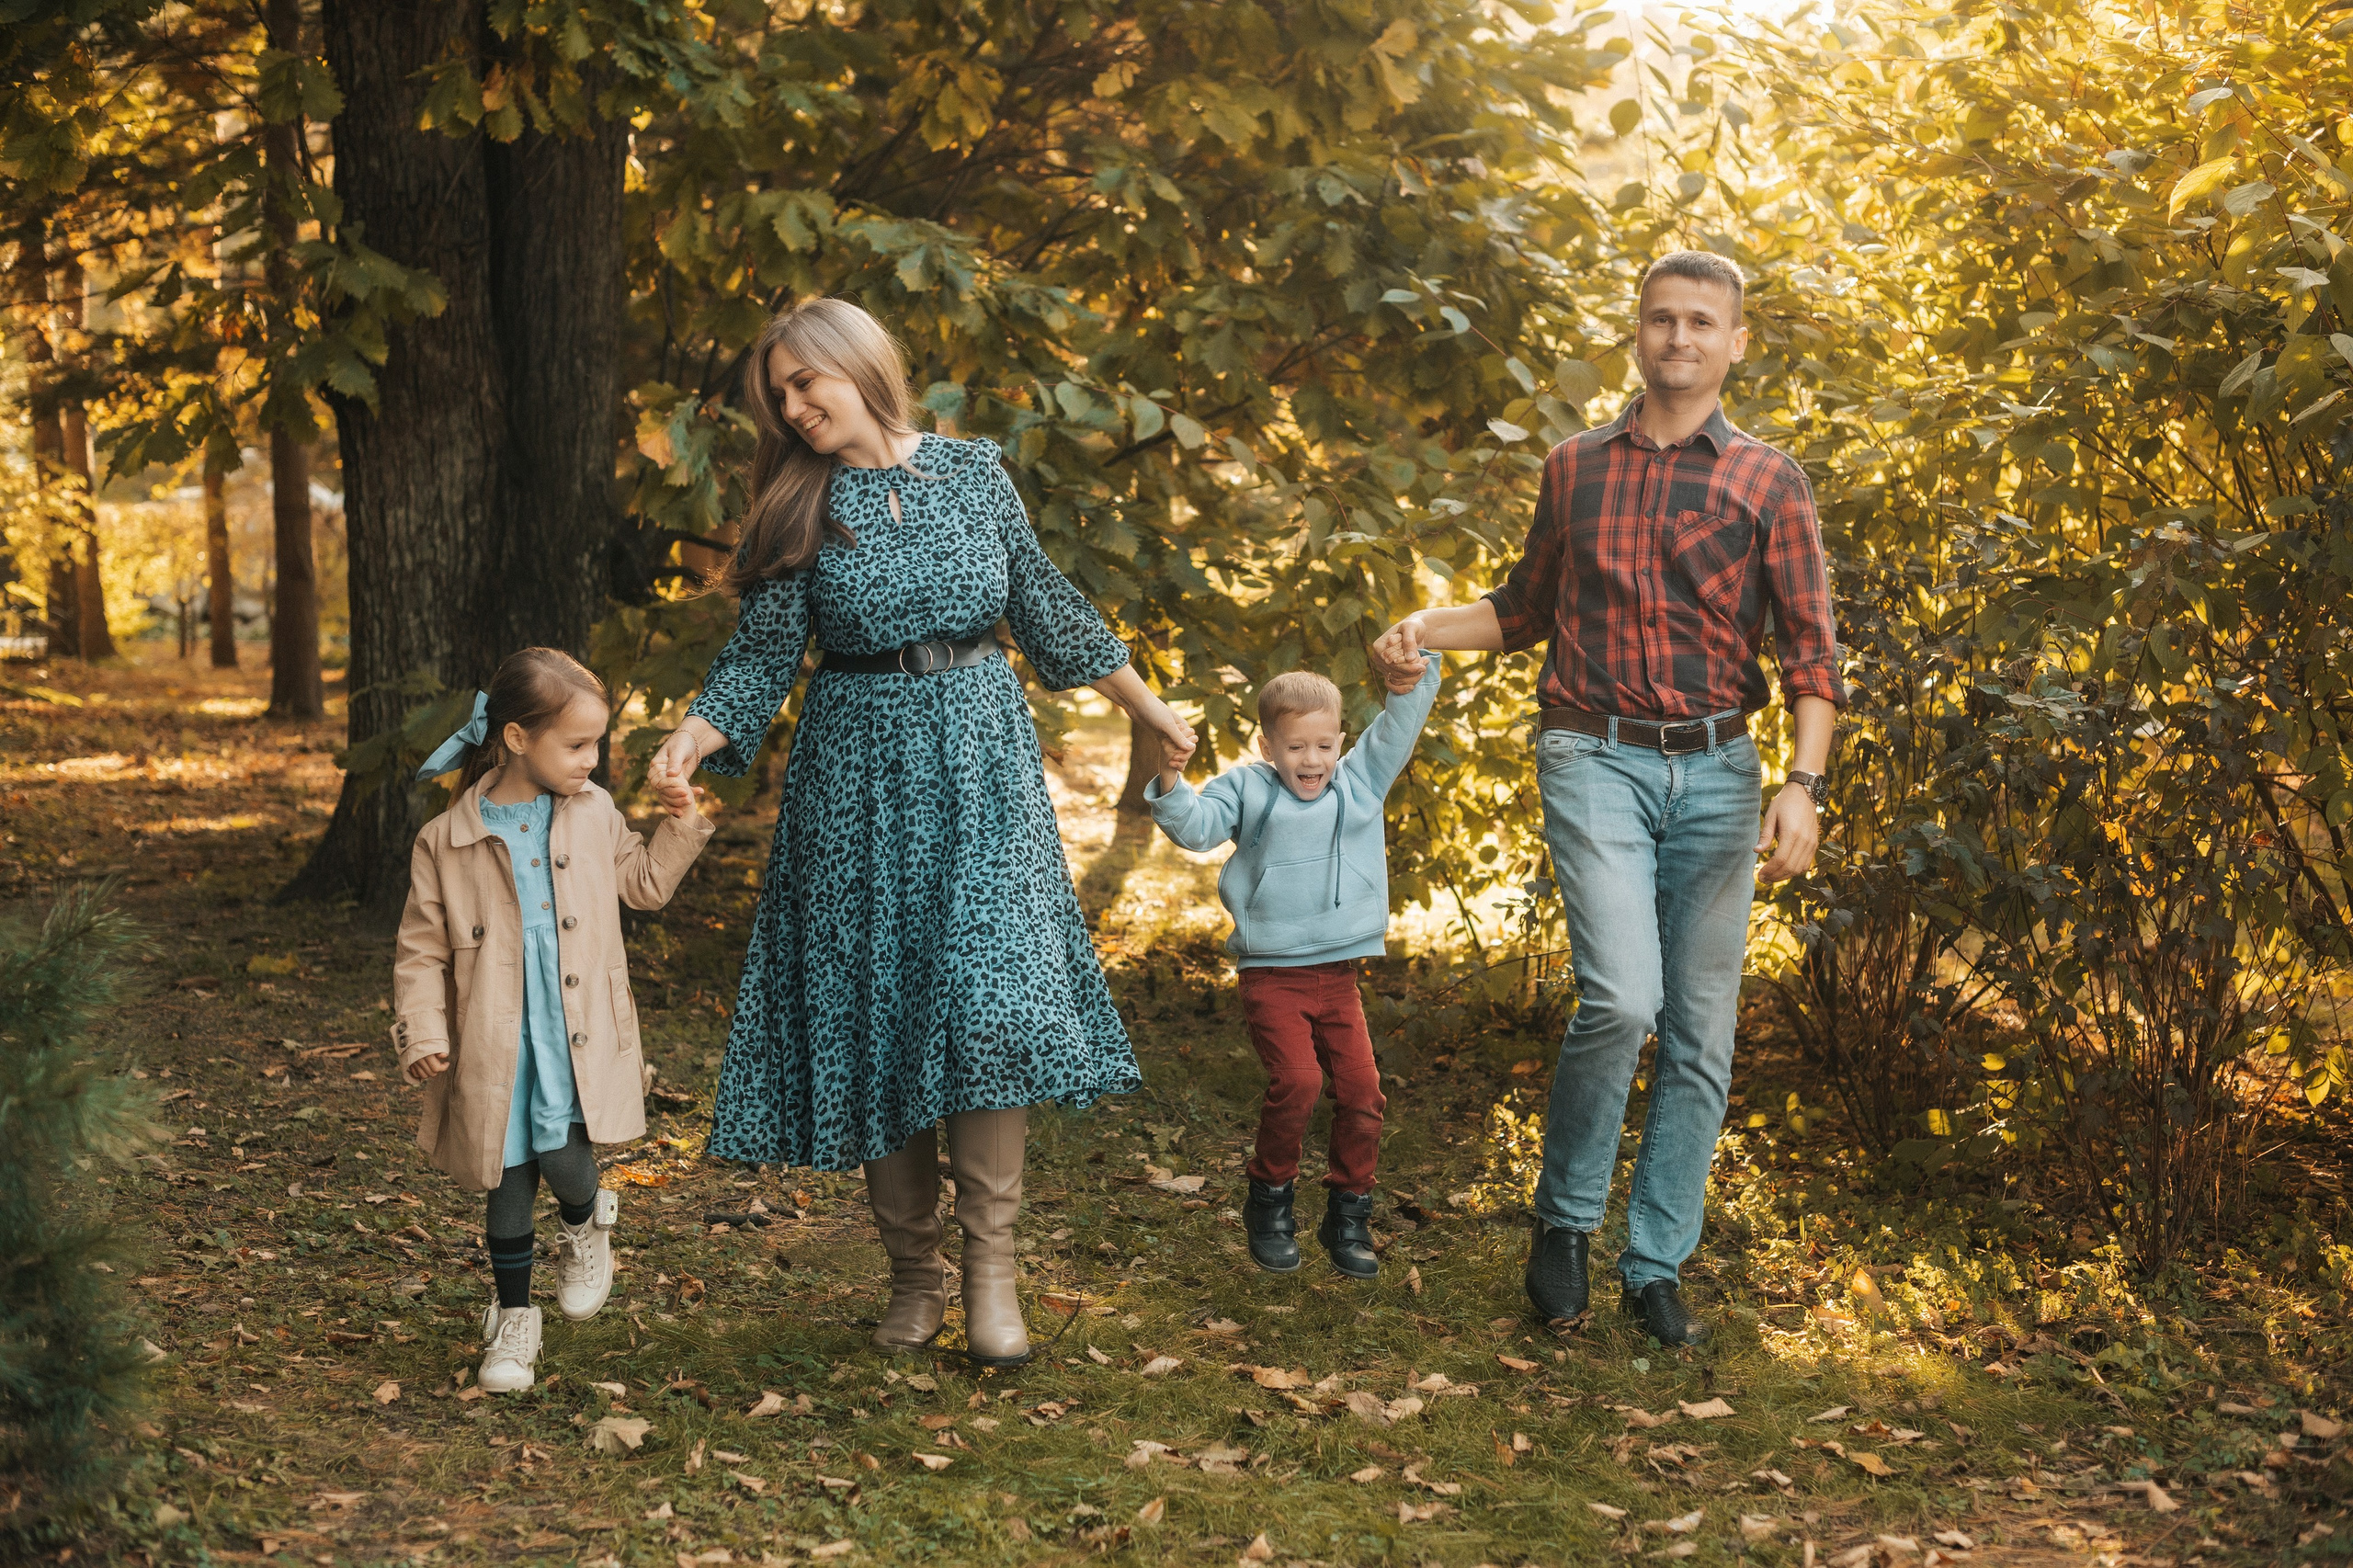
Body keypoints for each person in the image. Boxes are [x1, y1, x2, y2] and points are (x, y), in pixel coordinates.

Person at [646, 298, 1195, 1369]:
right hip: (854, 772)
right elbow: (759, 663)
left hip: (984, 760)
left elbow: (1042, 603)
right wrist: (690, 734)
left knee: (989, 1000)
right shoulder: (791, 511)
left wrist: (1150, 707)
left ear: (862, 365)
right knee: (882, 1010)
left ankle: (992, 1274)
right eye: (781, 392)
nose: (795, 406)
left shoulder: (974, 470)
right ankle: (913, 1276)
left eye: (810, 381)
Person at [1371, 251, 1842, 1346]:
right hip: (1593, 753)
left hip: (1722, 770)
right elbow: (1525, 605)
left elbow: (1813, 653)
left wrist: (1803, 785)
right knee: (1623, 999)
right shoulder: (1575, 466)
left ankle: (1656, 1260)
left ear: (1736, 342)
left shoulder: (1770, 481)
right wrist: (1423, 626)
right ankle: (1565, 1217)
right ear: (1636, 333)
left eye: (1700, 323)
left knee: (1699, 1031)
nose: (1678, 339)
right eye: (1660, 319)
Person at [393, 648, 713, 1393]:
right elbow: (417, 951)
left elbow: (642, 886)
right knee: (504, 1177)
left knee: (565, 1160)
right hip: (491, 1039)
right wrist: (425, 1033)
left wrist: (682, 822)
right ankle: (513, 1322)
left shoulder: (594, 812)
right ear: (514, 739)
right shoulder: (446, 840)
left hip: (573, 1033)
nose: (592, 761)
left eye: (597, 743)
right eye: (575, 745)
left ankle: (585, 1218)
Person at [1142, 656, 1440, 1279]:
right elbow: (1196, 831)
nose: (1312, 760)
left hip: (1338, 977)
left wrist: (1411, 677)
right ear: (1267, 745)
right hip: (1272, 975)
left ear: (1341, 741)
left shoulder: (1359, 782)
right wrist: (1172, 782)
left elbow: (1397, 727)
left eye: (1325, 745)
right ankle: (1270, 1203)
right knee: (1299, 1082)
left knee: (1363, 1094)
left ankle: (1348, 1213)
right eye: (1296, 746)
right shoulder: (1247, 788)